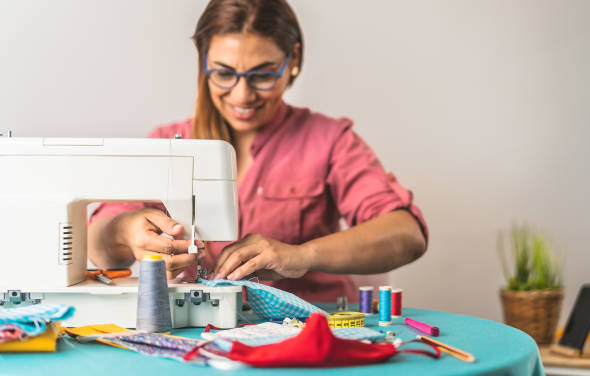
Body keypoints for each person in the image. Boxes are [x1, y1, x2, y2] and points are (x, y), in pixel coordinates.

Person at [88, 0, 428, 303]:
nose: (242, 95)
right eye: (223, 73)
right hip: (197, 334)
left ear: (292, 59)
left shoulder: (329, 140)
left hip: (310, 333)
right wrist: (126, 232)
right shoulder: (166, 143)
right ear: (202, 61)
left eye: (262, 75)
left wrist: (301, 256)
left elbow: (407, 233)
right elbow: (96, 244)